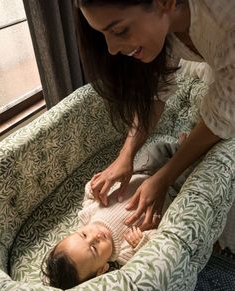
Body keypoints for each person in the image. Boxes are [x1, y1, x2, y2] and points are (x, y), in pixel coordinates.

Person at [75, 0, 235, 230]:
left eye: (120, 31)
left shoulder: (227, 25)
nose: (111, 48)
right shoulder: (164, 27)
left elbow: (221, 117)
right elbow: (156, 93)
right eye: (102, 34)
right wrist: (126, 155)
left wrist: (164, 178)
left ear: (164, 3)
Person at [42, 136, 196, 290]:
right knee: (190, 174)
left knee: (156, 150)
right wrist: (141, 243)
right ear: (102, 269)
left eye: (83, 235)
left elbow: (89, 194)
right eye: (94, 248)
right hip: (168, 192)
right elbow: (157, 247)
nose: (95, 236)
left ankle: (179, 147)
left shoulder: (87, 216)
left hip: (140, 171)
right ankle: (191, 152)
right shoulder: (124, 251)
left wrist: (94, 187)